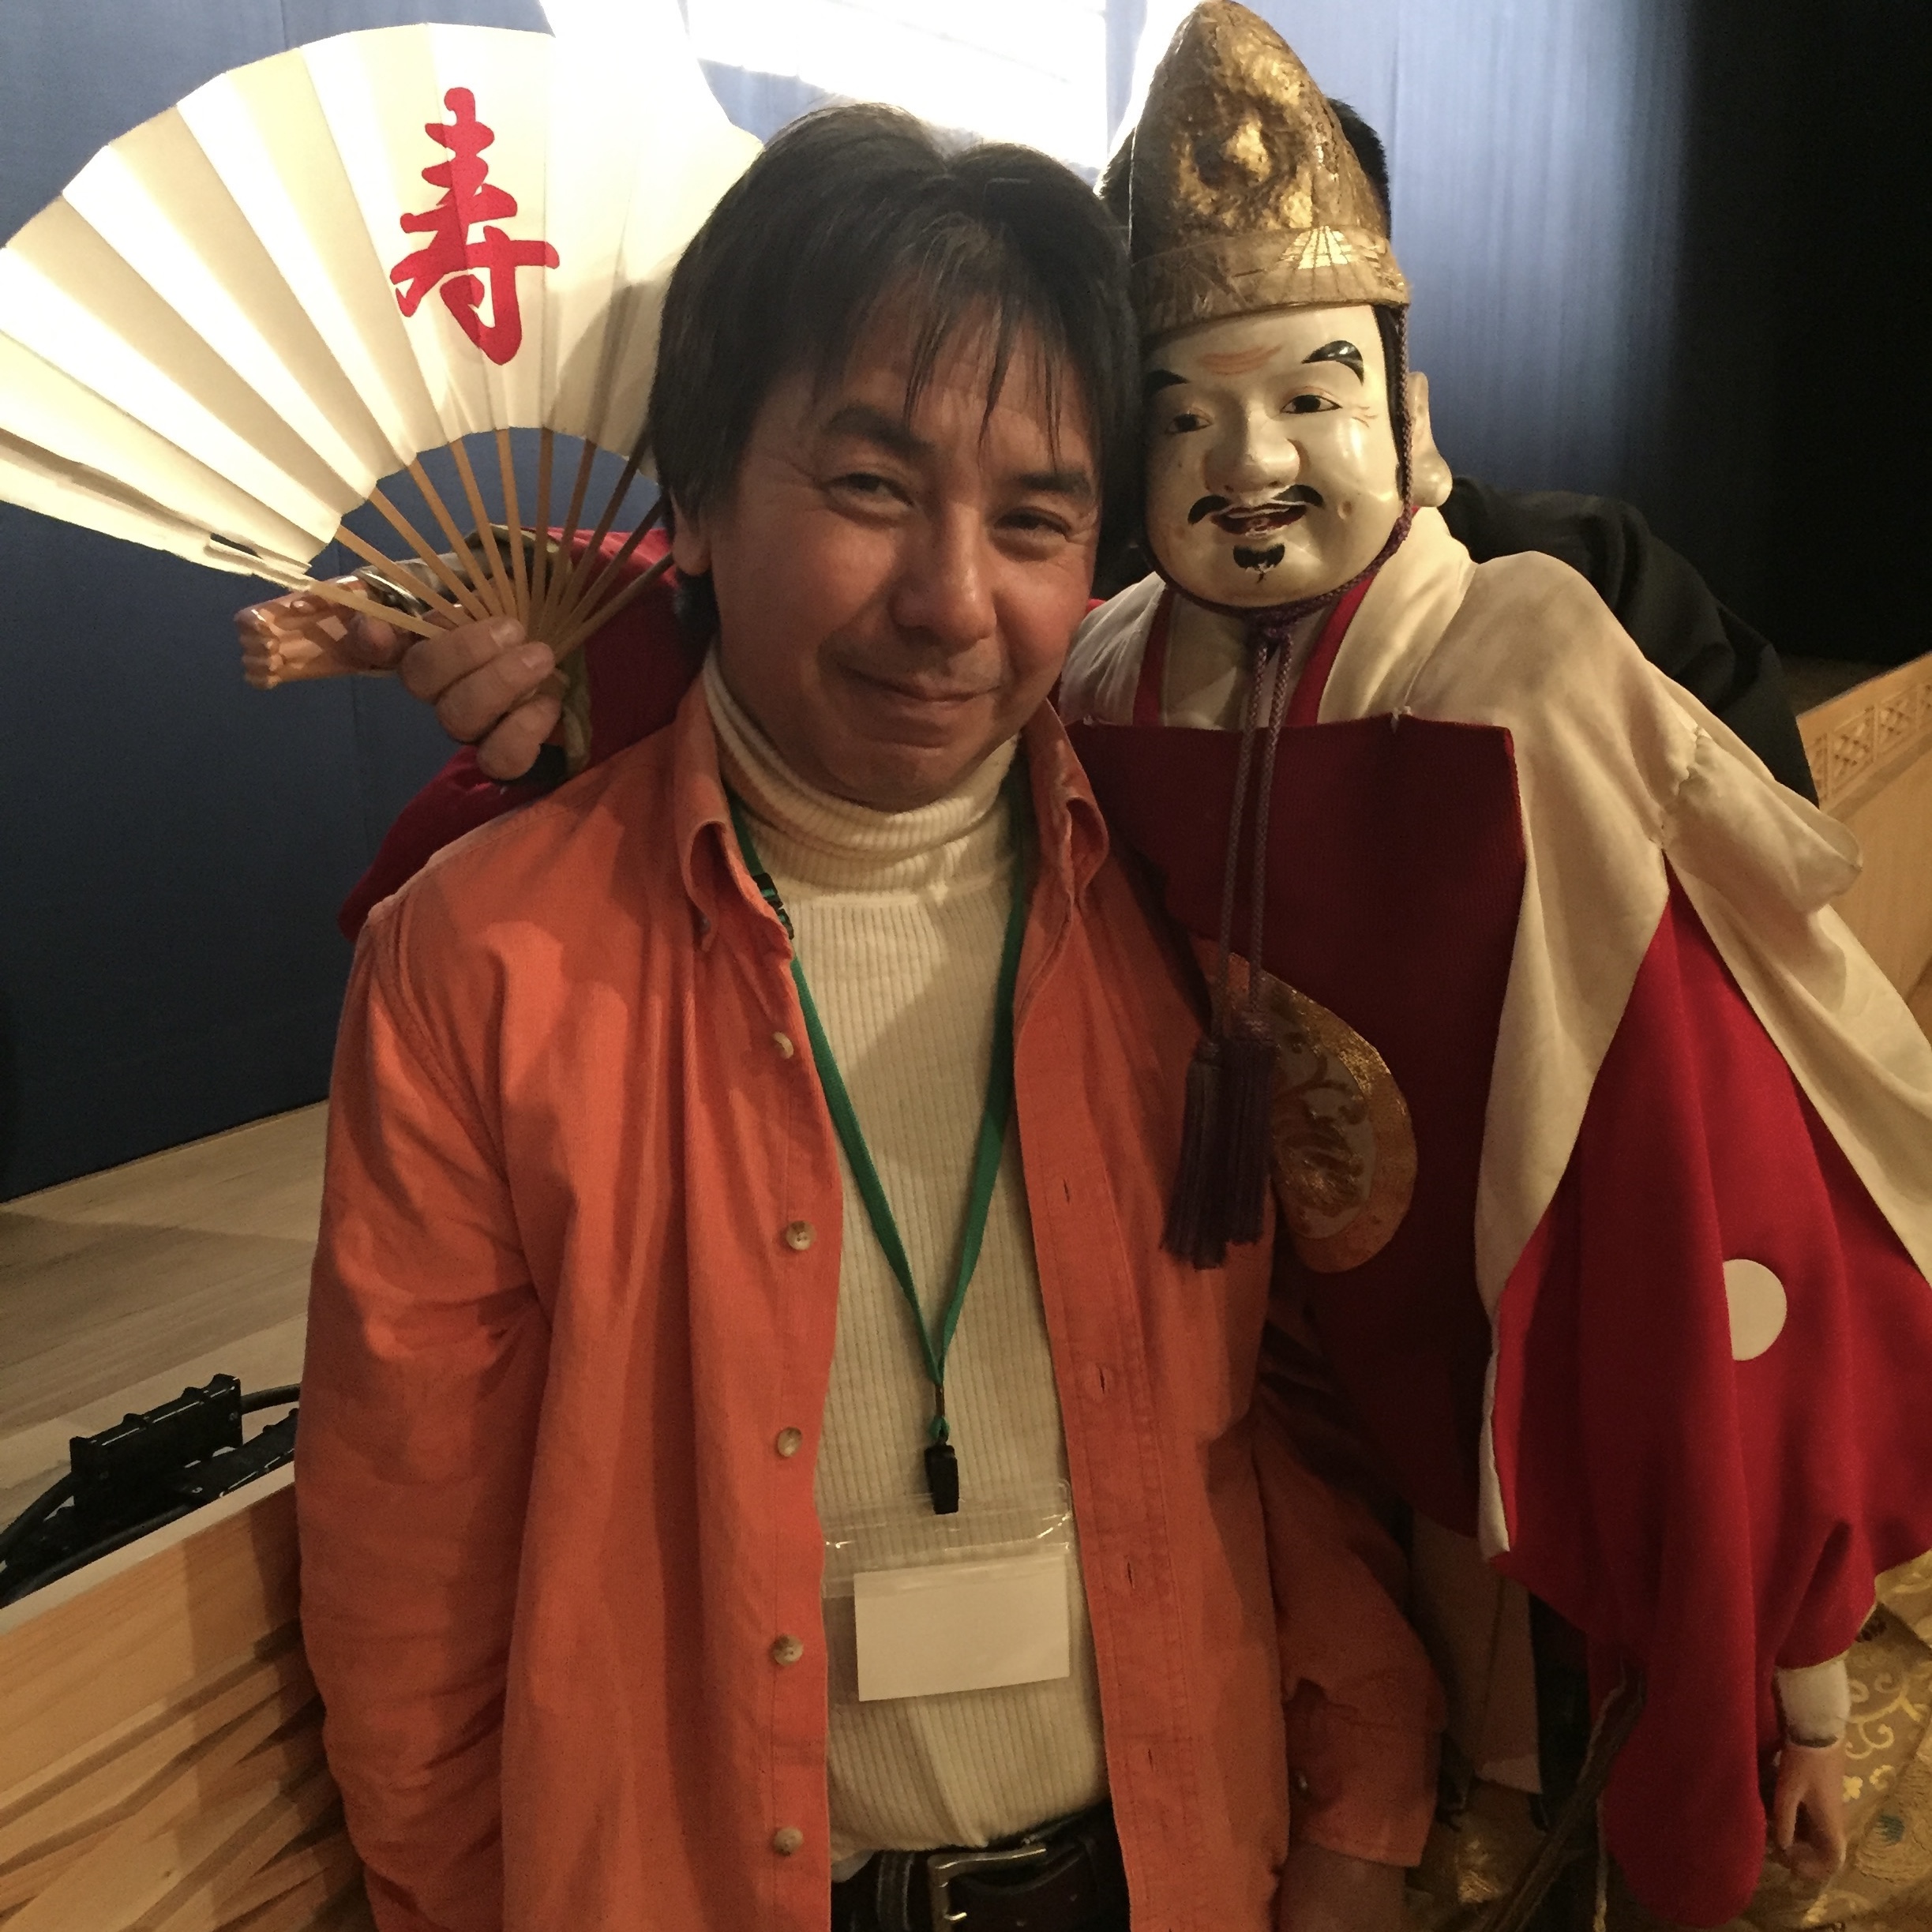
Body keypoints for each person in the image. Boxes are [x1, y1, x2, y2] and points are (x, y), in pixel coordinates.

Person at [297, 105, 1440, 1932]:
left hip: (1162, 1877)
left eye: (1036, 520)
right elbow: (409, 1566)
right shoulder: (479, 967)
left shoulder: (1180, 896)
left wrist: (1365, 1807)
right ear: (694, 500)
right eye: (872, 488)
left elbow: (1296, 1402)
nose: (951, 601)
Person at [1052, 6, 1932, 1926]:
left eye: (1310, 396)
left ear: (1409, 409)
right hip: (1282, 1375)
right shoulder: (1108, 682)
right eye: (1184, 418)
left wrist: (1796, 1669)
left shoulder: (1533, 656)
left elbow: (1700, 1149)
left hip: (1544, 1345)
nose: (1249, 463)